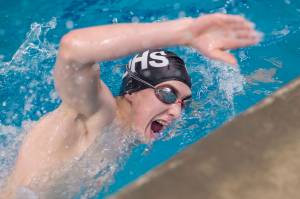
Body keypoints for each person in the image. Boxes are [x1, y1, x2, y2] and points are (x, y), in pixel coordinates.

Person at [1, 13, 260, 198]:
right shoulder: (98, 114)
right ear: (133, 91)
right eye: (168, 94)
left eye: (183, 102)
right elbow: (72, 50)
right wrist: (183, 33)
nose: (177, 111)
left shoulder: (128, 132)